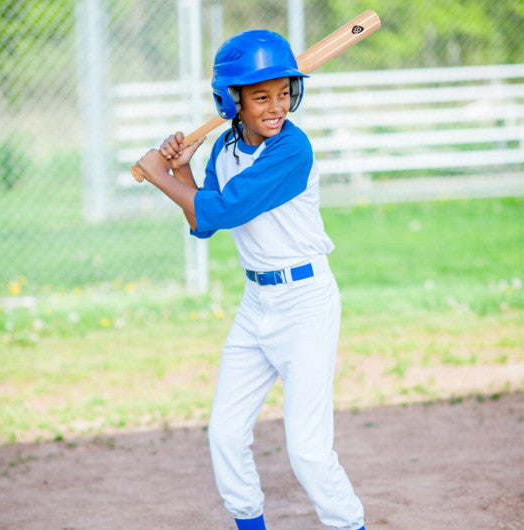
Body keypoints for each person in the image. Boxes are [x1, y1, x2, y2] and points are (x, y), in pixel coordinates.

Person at [136, 29, 365, 530]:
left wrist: (160, 177)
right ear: (231, 100)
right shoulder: (223, 147)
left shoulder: (293, 150)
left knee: (307, 450)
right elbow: (206, 221)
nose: (276, 106)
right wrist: (183, 168)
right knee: (224, 433)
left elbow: (229, 206)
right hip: (256, 303)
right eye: (260, 96)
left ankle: (350, 525)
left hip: (305, 302)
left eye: (283, 92)